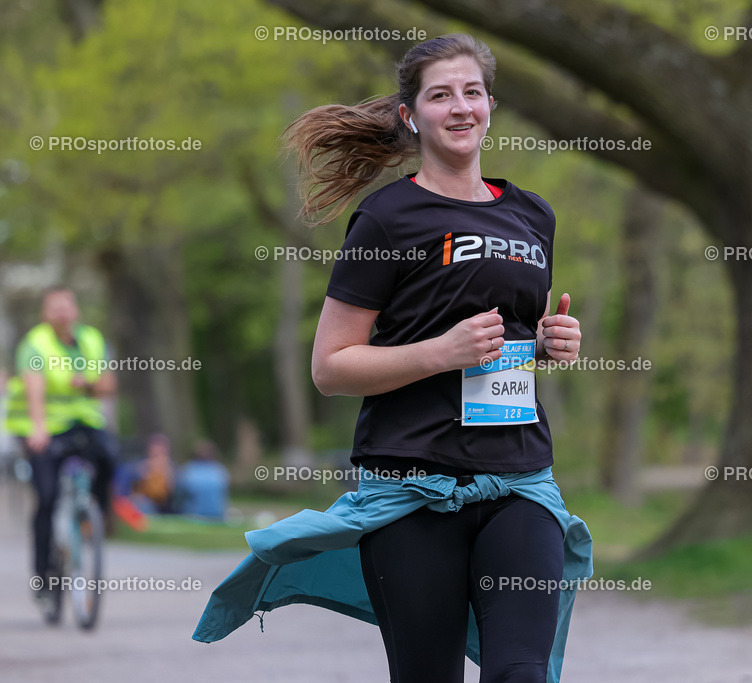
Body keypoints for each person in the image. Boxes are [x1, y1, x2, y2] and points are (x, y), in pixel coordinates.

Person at [193, 34, 592, 683]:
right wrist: (441, 351)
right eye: (440, 95)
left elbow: (509, 338)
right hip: (411, 489)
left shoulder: (532, 215)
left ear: (490, 105)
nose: (460, 107)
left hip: (519, 480)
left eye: (471, 92)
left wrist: (548, 343)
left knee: (521, 672)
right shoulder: (387, 218)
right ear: (411, 115)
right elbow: (330, 366)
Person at [4, 287, 117, 601]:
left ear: (76, 310)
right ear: (45, 313)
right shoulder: (35, 344)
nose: (62, 312)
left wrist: (90, 384)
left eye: (66, 306)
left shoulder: (93, 340)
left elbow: (108, 385)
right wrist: (38, 428)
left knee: (110, 455)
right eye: (55, 307)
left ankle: (95, 514)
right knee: (47, 496)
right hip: (45, 426)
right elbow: (33, 389)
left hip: (84, 421)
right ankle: (42, 575)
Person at [176, 439, 230, 520]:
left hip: (193, 516)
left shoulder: (188, 470)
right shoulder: (220, 470)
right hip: (218, 516)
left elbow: (178, 496)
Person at [130, 433, 176, 514]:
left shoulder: (171, 467)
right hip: (146, 502)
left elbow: (171, 491)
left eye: (160, 450)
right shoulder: (141, 466)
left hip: (164, 505)